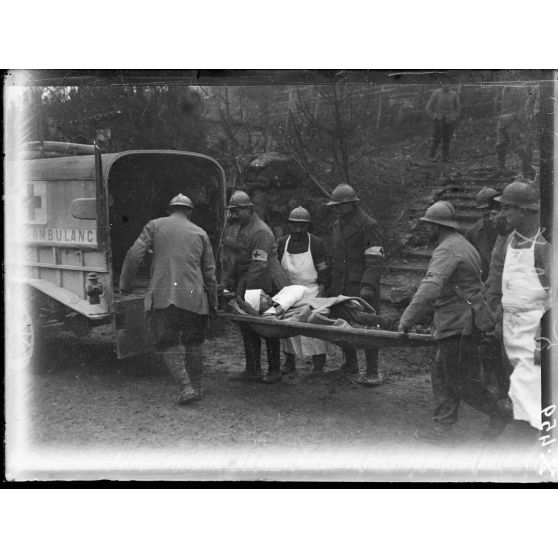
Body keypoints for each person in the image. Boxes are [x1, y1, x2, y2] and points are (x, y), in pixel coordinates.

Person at [397, 201, 509, 440]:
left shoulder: (446, 250)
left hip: (459, 325)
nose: (426, 230)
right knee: (441, 374)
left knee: (462, 383)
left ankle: (499, 413)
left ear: (436, 227)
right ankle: (443, 429)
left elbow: (430, 289)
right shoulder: (464, 244)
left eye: (428, 226)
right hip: (462, 320)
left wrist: (406, 320)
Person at [119, 194, 217, 405]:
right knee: (194, 342)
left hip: (163, 296)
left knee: (167, 341)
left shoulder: (154, 225)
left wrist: (125, 285)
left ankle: (185, 387)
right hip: (193, 298)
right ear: (189, 211)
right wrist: (214, 302)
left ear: (170, 210)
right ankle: (197, 387)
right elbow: (210, 273)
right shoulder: (200, 233)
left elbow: (134, 254)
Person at [493, 181, 551, 431]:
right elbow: (498, 281)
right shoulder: (507, 241)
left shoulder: (543, 244)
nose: (502, 214)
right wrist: (496, 313)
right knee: (516, 385)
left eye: (507, 209)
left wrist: (545, 335)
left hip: (535, 326)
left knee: (533, 389)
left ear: (524, 211)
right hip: (510, 324)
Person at [227, 189, 290, 384]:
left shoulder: (260, 230)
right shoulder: (241, 227)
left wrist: (246, 293)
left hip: (266, 282)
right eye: (232, 211)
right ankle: (252, 369)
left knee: (268, 327)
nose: (233, 215)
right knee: (247, 325)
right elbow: (239, 258)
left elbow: (258, 265)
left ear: (249, 209)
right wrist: (231, 281)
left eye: (237, 211)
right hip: (249, 280)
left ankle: (274, 370)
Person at [327, 183, 384, 386]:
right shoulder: (337, 225)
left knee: (369, 327)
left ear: (352, 204)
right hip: (341, 286)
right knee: (342, 326)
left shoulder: (369, 225)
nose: (336, 209)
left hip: (360, 286)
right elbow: (335, 257)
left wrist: (367, 288)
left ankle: (372, 371)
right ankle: (350, 364)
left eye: (340, 205)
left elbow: (374, 260)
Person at [277, 206, 329, 375]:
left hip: (311, 290)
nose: (298, 229)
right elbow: (277, 269)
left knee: (313, 326)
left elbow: (323, 271)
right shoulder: (282, 242)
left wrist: (321, 294)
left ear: (308, 226)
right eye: (295, 225)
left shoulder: (316, 243)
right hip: (289, 291)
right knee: (287, 326)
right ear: (290, 225)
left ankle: (318, 364)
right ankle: (289, 361)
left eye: (302, 225)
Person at [465, 187, 499, 282]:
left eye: (488, 208)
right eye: (482, 209)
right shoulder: (473, 232)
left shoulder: (509, 228)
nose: (485, 213)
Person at [425, 84, 461, 162]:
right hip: (439, 118)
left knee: (447, 138)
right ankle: (431, 156)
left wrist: (455, 117)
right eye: (444, 83)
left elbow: (458, 108)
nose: (446, 85)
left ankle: (446, 157)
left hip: (450, 119)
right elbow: (428, 107)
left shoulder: (453, 94)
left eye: (448, 84)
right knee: (437, 138)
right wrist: (433, 116)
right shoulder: (436, 93)